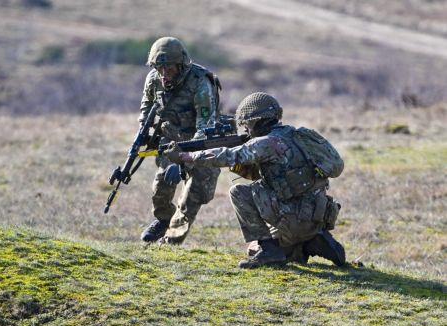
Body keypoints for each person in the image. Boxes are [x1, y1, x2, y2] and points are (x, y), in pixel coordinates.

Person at [164, 92, 346, 268]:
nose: (246, 130)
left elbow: (226, 156)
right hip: (318, 215)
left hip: (291, 220)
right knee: (289, 251)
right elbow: (337, 166)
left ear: (256, 121)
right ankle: (315, 239)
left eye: (247, 125)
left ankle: (270, 249)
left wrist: (185, 156)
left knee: (240, 192)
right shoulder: (301, 135)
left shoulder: (265, 143)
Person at [138, 37, 221, 244]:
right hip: (172, 139)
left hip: (202, 143)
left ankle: (173, 239)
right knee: (161, 188)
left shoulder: (200, 82)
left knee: (192, 196)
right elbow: (147, 107)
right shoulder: (154, 79)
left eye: (169, 68)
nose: (164, 74)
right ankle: (164, 220)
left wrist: (186, 157)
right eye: (160, 68)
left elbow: (205, 126)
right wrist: (143, 131)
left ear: (181, 65)